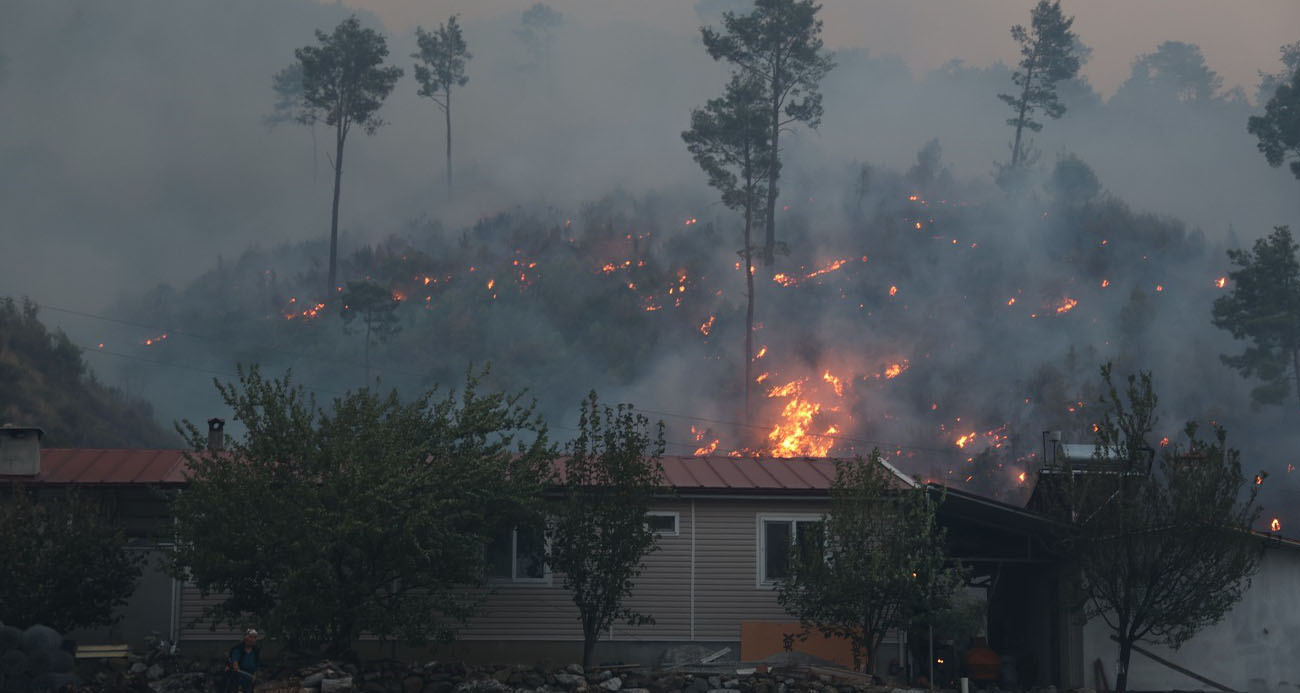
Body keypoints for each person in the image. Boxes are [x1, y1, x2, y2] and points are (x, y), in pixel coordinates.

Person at [223, 629, 261, 693]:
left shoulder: (256, 650)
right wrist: (235, 665)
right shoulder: (238, 649)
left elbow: (256, 664)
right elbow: (235, 664)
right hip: (238, 676)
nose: (252, 640)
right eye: (250, 637)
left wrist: (254, 674)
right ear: (245, 638)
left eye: (254, 638)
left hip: (249, 676)